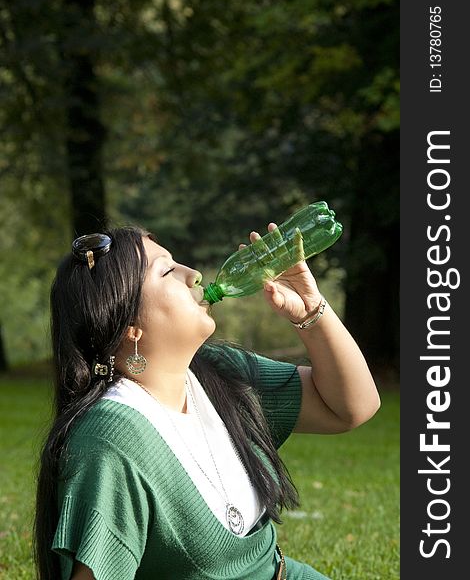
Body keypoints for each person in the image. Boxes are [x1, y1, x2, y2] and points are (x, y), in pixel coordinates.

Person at [34, 224, 380, 580]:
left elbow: (352, 407)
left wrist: (311, 311)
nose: (194, 275)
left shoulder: (218, 374)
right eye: (167, 270)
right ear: (129, 327)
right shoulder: (113, 440)